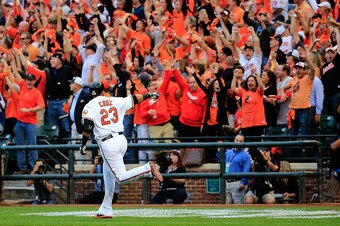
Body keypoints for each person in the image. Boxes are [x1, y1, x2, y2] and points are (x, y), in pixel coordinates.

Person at [79, 81, 163, 219]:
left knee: (120, 177)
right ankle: (106, 209)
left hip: (108, 142)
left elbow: (88, 126)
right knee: (108, 174)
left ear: (90, 93)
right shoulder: (114, 100)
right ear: (103, 90)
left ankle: (147, 169)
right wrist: (149, 95)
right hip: (121, 140)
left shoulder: (90, 105)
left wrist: (83, 145)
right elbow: (135, 99)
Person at [14, 74, 45, 173]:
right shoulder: (23, 86)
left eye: (31, 80)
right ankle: (22, 168)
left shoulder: (37, 93)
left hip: (30, 123)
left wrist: (29, 110)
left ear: (34, 81)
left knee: (32, 146)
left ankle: (33, 168)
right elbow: (15, 74)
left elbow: (41, 106)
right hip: (20, 122)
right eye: (28, 80)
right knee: (20, 146)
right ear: (25, 80)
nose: (29, 82)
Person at [68, 77, 92, 164]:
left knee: (85, 149)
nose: (70, 85)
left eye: (72, 83)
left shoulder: (86, 96)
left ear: (77, 85)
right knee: (76, 148)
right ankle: (79, 168)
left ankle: (87, 170)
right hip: (74, 125)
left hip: (83, 127)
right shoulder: (74, 96)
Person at [224, 134, 252, 204]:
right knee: (227, 206)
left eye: (241, 141)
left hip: (237, 182)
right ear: (234, 140)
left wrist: (243, 183)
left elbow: (246, 170)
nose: (238, 142)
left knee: (238, 207)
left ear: (243, 143)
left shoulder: (246, 155)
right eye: (237, 140)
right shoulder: (228, 152)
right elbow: (222, 161)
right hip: (227, 182)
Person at [323, 137, 340, 203]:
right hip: (336, 171)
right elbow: (333, 147)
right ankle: (324, 212)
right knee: (329, 197)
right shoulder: (333, 138)